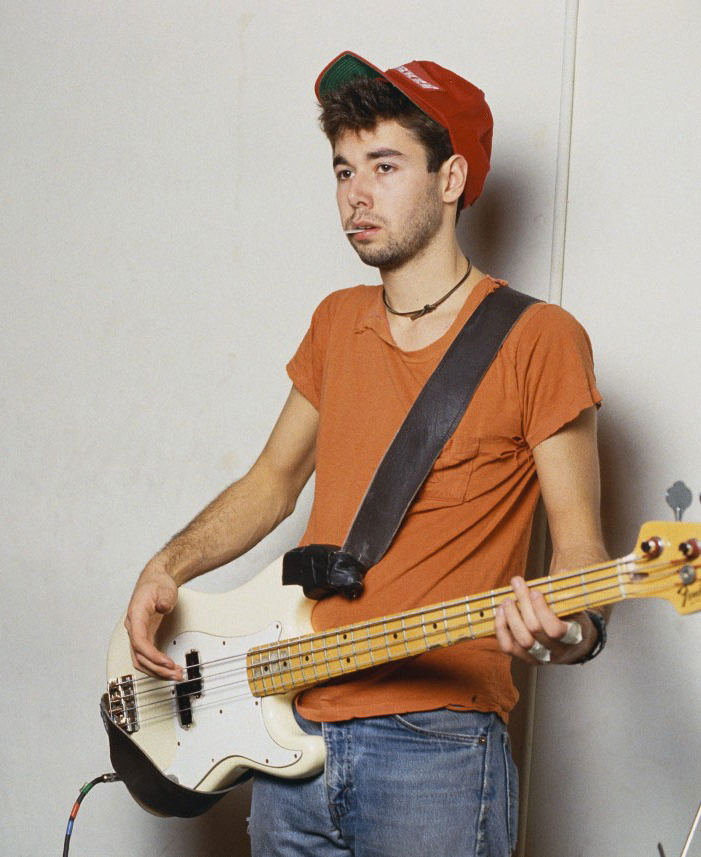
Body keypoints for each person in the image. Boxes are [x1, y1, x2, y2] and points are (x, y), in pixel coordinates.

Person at [123, 52, 608, 856]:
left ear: (450, 179)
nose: (356, 193)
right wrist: (167, 566)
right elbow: (273, 482)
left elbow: (582, 546)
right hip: (294, 728)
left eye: (385, 166)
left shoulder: (540, 338)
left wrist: (571, 630)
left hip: (439, 750)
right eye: (344, 169)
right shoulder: (335, 321)